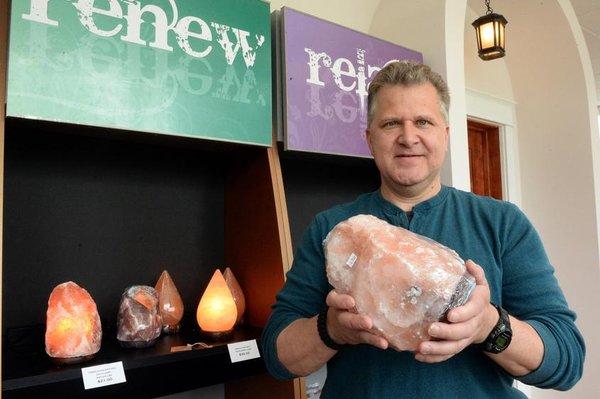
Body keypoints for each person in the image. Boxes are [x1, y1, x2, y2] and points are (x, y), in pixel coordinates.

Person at [261, 61, 585, 398]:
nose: (408, 137)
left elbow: (566, 359)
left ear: (444, 135)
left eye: (423, 122)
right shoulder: (334, 230)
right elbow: (277, 356)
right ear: (370, 140)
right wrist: (331, 330)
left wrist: (488, 325)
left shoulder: (502, 223)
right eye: (391, 124)